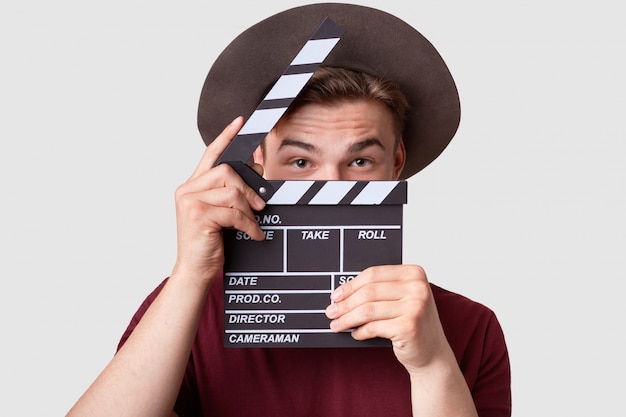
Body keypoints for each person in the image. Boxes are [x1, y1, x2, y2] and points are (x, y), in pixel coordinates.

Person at [67, 4, 511, 417]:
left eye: (360, 161)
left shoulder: (469, 329)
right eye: (300, 162)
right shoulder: (188, 310)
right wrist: (189, 274)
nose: (329, 188)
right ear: (257, 163)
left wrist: (432, 363)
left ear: (396, 164)